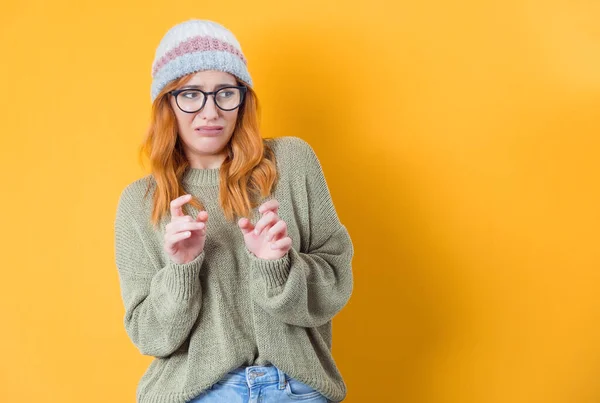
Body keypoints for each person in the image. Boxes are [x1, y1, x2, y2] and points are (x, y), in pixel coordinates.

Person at [114, 19, 354, 403]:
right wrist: (181, 270)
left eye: (225, 92)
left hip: (294, 388)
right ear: (166, 105)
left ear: (243, 99)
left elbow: (335, 284)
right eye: (190, 94)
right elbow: (151, 336)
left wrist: (278, 266)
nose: (210, 112)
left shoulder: (292, 162)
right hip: (193, 392)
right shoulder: (140, 202)